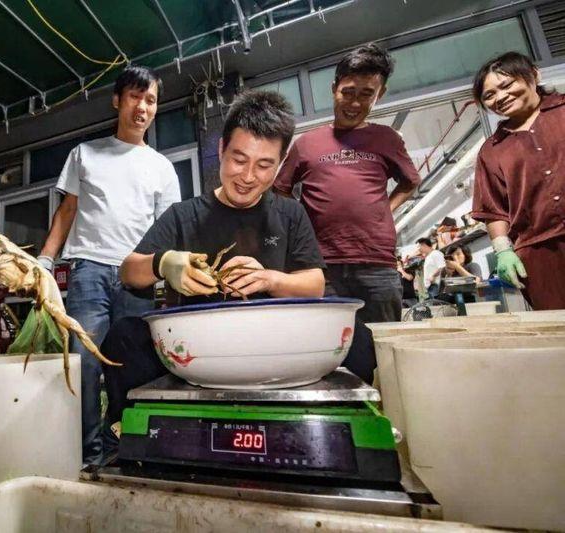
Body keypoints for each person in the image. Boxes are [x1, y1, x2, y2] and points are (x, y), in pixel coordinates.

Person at [101, 91, 326, 454]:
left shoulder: (289, 214)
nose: (249, 177)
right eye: (239, 159)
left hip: (269, 344)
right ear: (221, 149)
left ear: (281, 163)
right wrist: (164, 263)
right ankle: (131, 441)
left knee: (361, 341)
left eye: (265, 165)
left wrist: (272, 279)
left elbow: (315, 285)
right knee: (124, 335)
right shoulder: (183, 215)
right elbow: (129, 272)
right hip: (194, 349)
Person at [37, 65, 181, 463]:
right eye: (135, 96)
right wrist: (45, 261)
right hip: (89, 272)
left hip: (138, 278)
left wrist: (166, 277)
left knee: (133, 365)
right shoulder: (84, 154)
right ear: (118, 100)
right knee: (83, 364)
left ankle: (125, 444)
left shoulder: (162, 168)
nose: (143, 107)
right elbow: (67, 211)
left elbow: (165, 232)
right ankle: (88, 452)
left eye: (150, 100)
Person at [273, 43, 420, 378]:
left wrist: (386, 208)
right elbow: (280, 189)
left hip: (378, 265)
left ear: (379, 95)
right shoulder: (306, 144)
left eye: (366, 94)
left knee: (384, 356)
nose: (355, 103)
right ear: (334, 89)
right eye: (348, 92)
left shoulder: (387, 139)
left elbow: (410, 181)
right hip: (321, 268)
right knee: (326, 355)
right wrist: (302, 227)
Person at [471, 51, 565, 310]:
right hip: (540, 255)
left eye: (507, 85)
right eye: (489, 95)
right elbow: (493, 209)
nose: (500, 97)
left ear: (534, 74)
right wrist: (503, 251)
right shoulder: (492, 150)